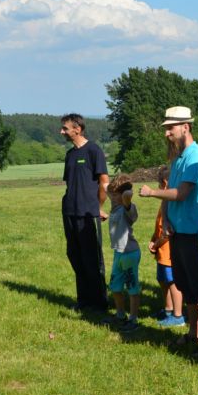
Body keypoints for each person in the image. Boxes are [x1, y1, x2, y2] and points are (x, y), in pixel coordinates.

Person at [139, 106, 198, 354]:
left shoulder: (197, 156)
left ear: (186, 127)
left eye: (170, 128)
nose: (167, 133)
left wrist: (151, 193)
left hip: (193, 232)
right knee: (186, 286)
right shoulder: (178, 158)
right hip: (177, 232)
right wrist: (166, 219)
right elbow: (169, 192)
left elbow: (182, 193)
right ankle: (193, 334)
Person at [60, 113, 109, 315]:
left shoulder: (93, 150)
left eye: (65, 128)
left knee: (92, 258)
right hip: (69, 212)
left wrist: (97, 206)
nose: (61, 131)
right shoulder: (70, 155)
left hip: (87, 213)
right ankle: (84, 299)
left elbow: (104, 183)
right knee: (74, 255)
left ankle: (99, 302)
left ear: (77, 129)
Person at [148, 169, 185, 327]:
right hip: (161, 252)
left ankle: (178, 316)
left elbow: (167, 233)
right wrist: (153, 239)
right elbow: (159, 227)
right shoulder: (164, 203)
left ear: (164, 183)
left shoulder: (170, 204)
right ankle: (168, 310)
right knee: (163, 280)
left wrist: (156, 244)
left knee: (172, 282)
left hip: (168, 252)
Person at [106, 178, 142, 329]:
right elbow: (106, 188)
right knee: (115, 286)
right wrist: (114, 190)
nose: (112, 198)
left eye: (115, 195)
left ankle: (133, 319)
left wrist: (125, 192)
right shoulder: (115, 207)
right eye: (112, 195)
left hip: (129, 253)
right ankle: (120, 314)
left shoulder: (128, 209)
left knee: (132, 287)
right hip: (118, 253)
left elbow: (127, 196)